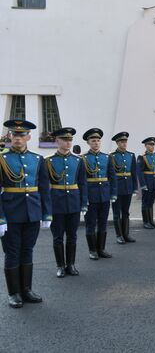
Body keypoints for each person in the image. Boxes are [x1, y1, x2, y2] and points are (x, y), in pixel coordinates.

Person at [0, 119, 51, 308]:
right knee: (12, 253)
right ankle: (14, 293)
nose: (18, 138)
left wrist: (47, 214)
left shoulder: (37, 159)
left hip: (32, 212)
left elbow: (44, 188)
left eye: (22, 135)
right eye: (14, 135)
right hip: (11, 214)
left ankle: (26, 290)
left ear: (29, 137)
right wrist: (0, 218)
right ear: (10, 136)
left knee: (28, 250)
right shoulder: (2, 159)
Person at [46, 127, 88, 278]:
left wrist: (84, 203)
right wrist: (46, 208)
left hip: (74, 202)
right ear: (57, 141)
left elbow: (83, 183)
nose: (68, 142)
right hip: (56, 203)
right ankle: (60, 266)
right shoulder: (48, 161)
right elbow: (44, 187)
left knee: (72, 235)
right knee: (58, 237)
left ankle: (71, 264)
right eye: (65, 140)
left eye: (70, 140)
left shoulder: (78, 160)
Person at [82, 128, 116, 260]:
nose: (96, 143)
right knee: (90, 223)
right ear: (88, 143)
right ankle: (92, 250)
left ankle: (101, 249)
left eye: (98, 140)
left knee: (103, 222)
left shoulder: (106, 157)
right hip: (91, 196)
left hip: (104, 195)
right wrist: (84, 199)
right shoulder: (83, 159)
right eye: (93, 141)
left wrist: (113, 193)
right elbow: (82, 180)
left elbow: (112, 177)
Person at [110, 132, 137, 244]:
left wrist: (134, 187)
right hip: (117, 188)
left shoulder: (131, 155)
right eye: (122, 141)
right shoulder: (111, 156)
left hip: (128, 187)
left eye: (125, 141)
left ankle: (126, 234)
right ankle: (119, 235)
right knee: (117, 212)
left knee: (126, 211)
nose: (124, 143)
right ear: (117, 143)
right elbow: (110, 175)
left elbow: (134, 173)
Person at [137, 137, 155, 229]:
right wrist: (143, 185)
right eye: (150, 145)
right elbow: (139, 172)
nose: (152, 146)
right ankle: (146, 222)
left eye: (153, 144)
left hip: (154, 183)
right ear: (145, 146)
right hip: (147, 183)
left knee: (151, 202)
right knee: (145, 202)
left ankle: (151, 221)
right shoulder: (142, 157)